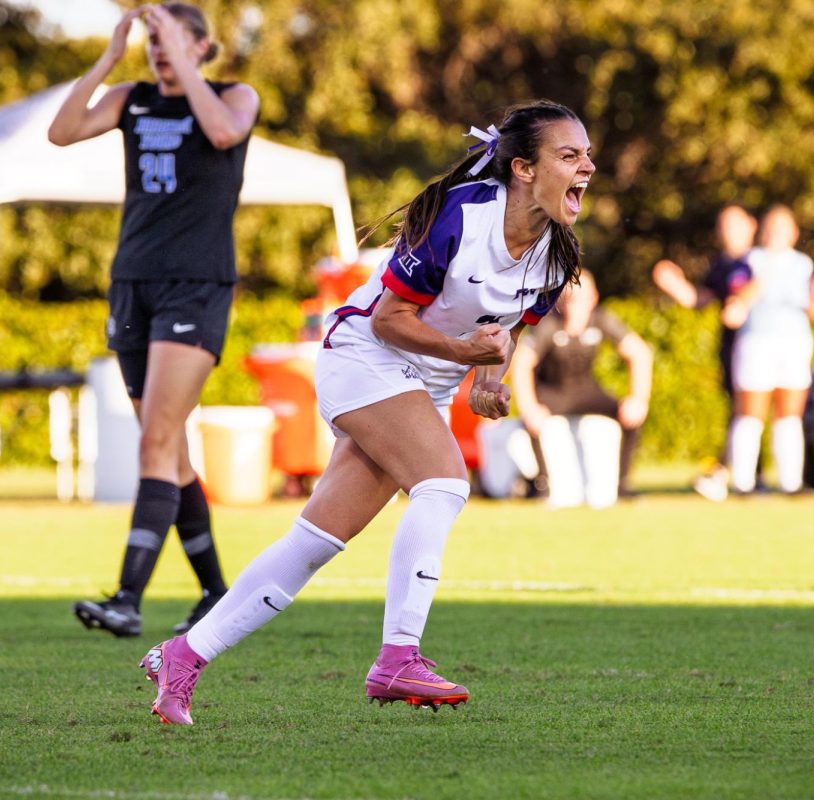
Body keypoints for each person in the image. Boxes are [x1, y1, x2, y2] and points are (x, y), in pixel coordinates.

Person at [137, 100, 593, 724]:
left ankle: (184, 655)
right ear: (521, 168)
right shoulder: (463, 218)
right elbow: (389, 319)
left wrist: (488, 375)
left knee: (316, 540)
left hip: (420, 383)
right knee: (444, 481)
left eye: (587, 155)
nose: (587, 166)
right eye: (570, 155)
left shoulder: (557, 254)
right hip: (366, 355)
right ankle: (398, 657)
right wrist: (465, 353)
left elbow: (503, 329)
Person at [48, 2, 260, 636]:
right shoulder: (131, 97)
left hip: (196, 286)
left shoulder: (233, 94)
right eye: (151, 39)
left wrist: (185, 62)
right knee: (171, 450)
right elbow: (61, 132)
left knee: (156, 441)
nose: (158, 50)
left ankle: (127, 599)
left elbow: (223, 133)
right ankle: (217, 591)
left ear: (202, 46)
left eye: (170, 38)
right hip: (133, 284)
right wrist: (108, 60)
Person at [513, 271, 652, 503]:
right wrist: (529, 407)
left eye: (582, 298)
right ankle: (543, 484)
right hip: (553, 392)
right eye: (570, 298)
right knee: (535, 418)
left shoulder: (601, 319)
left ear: (594, 298)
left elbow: (640, 353)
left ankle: (623, 484)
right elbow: (522, 362)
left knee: (631, 413)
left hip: (587, 390)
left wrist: (638, 398)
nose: (576, 305)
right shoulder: (549, 323)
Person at [652, 205, 757, 500]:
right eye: (723, 226)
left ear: (751, 225)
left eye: (734, 225)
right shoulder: (722, 265)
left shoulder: (762, 261)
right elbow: (700, 300)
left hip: (767, 344)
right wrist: (676, 286)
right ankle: (742, 476)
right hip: (734, 347)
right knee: (740, 408)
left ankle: (733, 473)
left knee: (753, 409)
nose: (727, 233)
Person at [722, 206, 814, 495]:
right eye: (772, 228)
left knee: (789, 415)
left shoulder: (803, 265)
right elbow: (736, 298)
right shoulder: (751, 261)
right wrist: (764, 278)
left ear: (794, 233)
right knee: (751, 414)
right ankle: (743, 482)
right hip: (758, 342)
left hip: (793, 344)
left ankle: (790, 482)